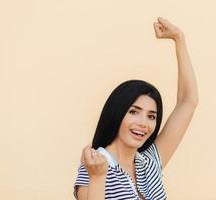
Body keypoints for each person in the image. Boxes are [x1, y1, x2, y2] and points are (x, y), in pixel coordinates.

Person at [73, 17, 199, 200]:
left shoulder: (148, 163)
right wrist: (98, 176)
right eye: (134, 112)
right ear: (117, 113)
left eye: (151, 116)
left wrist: (179, 39)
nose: (143, 123)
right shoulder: (95, 166)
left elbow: (188, 101)